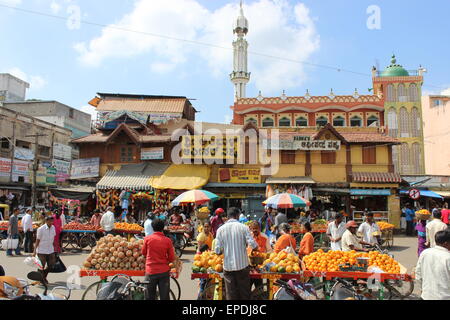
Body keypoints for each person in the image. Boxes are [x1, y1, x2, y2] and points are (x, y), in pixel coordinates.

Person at [214, 207, 258, 300]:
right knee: (244, 293)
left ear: (228, 217)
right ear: (237, 215)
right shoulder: (244, 227)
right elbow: (254, 245)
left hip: (228, 267)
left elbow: (217, 251)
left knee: (231, 294)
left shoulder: (220, 230)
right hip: (242, 267)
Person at [141, 218, 176, 300]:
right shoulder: (167, 241)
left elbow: (143, 253)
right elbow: (171, 258)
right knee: (164, 296)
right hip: (163, 272)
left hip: (150, 271)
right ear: (163, 228)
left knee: (150, 296)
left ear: (152, 228)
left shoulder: (147, 239)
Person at [415, 229, 450, 300]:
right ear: (446, 243)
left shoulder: (425, 253)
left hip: (426, 296)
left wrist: (422, 289)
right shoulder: (448, 257)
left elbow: (418, 274)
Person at [33, 216, 56, 284]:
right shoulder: (41, 229)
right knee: (41, 266)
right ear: (46, 221)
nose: (51, 222)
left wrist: (55, 248)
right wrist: (34, 251)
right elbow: (37, 240)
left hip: (50, 249)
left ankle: (43, 277)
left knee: (51, 265)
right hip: (42, 250)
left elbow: (53, 238)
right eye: (50, 221)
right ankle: (41, 279)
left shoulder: (53, 228)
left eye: (52, 221)